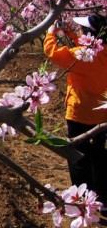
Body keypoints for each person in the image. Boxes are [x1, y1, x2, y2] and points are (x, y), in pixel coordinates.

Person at [43, 14, 107, 206]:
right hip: (101, 115)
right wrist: (70, 32)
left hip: (79, 114)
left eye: (81, 30)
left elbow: (52, 52)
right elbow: (90, 48)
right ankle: (101, 198)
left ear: (90, 35)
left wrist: (50, 33)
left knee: (79, 157)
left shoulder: (80, 57)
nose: (79, 32)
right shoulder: (102, 52)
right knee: (98, 155)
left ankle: (81, 198)